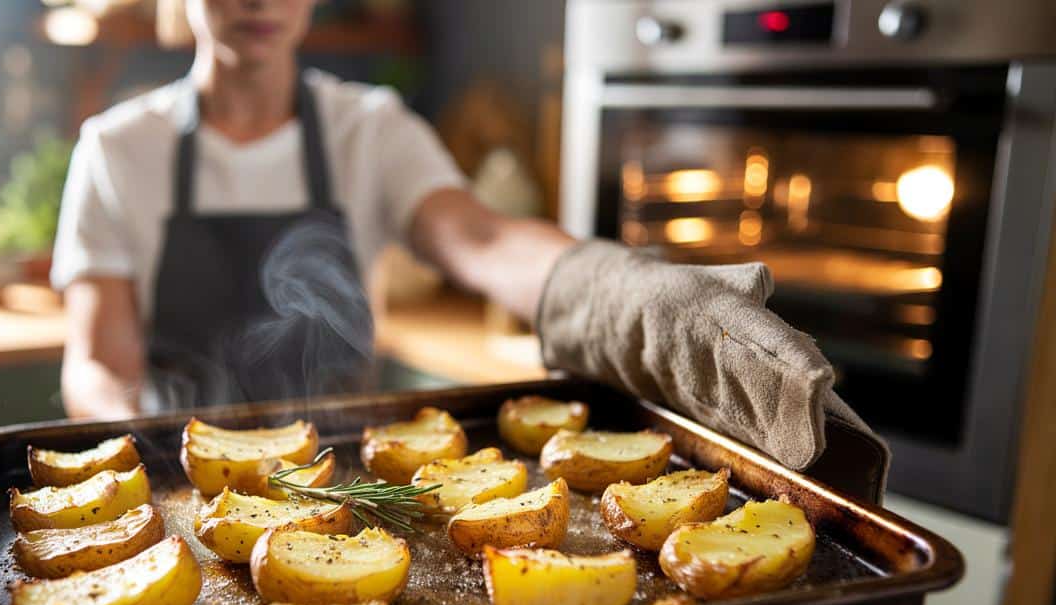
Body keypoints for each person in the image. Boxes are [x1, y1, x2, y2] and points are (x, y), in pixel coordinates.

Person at [52, 0, 886, 481]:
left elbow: (482, 239)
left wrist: (628, 291)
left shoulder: (368, 129)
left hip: (348, 476)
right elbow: (96, 363)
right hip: (180, 476)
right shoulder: (120, 149)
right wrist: (152, 445)